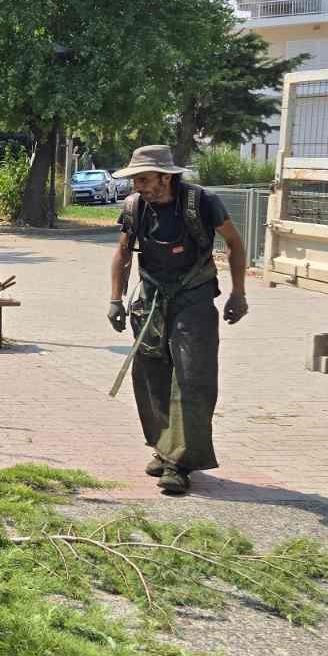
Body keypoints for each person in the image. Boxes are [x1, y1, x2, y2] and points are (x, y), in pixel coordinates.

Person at [108, 146, 248, 495]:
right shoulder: (135, 207)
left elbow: (234, 243)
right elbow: (123, 252)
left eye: (143, 179)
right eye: (135, 179)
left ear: (165, 177)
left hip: (194, 297)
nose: (137, 186)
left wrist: (238, 293)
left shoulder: (202, 202)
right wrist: (115, 299)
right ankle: (164, 447)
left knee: (191, 377)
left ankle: (181, 463)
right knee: (152, 374)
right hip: (152, 299)